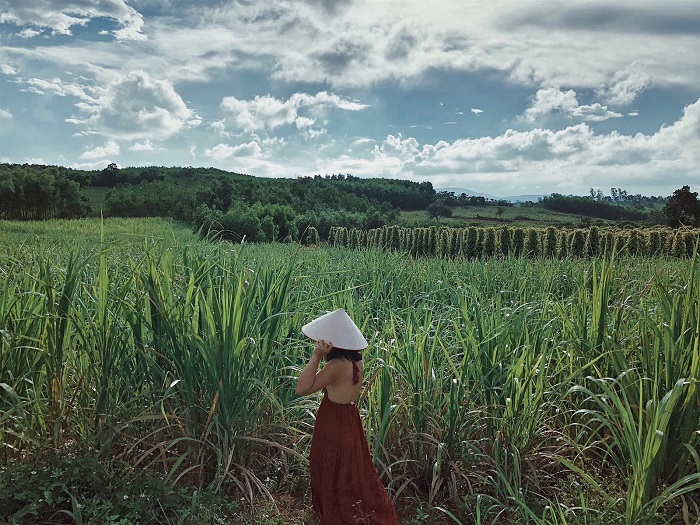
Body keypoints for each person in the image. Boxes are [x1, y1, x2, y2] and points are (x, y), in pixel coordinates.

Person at [295, 308, 399, 525]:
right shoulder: (355, 361)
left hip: (333, 420)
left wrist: (316, 356)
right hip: (349, 418)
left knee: (329, 466)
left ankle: (336, 513)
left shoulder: (337, 365)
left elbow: (302, 388)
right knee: (350, 470)